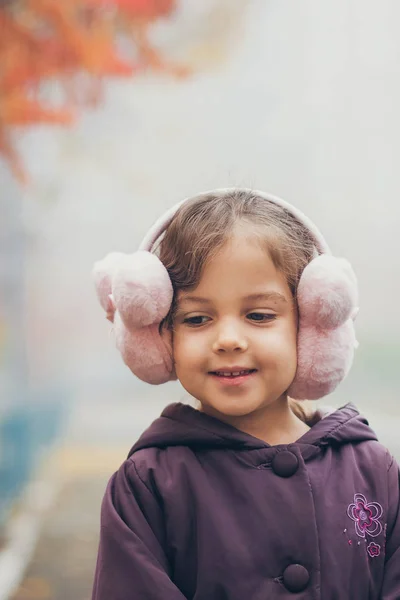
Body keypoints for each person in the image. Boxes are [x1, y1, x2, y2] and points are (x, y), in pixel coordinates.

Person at [91, 189, 400, 599]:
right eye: (197, 318)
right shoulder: (149, 486)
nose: (229, 339)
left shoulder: (372, 471)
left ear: (311, 328)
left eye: (259, 315)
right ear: (160, 339)